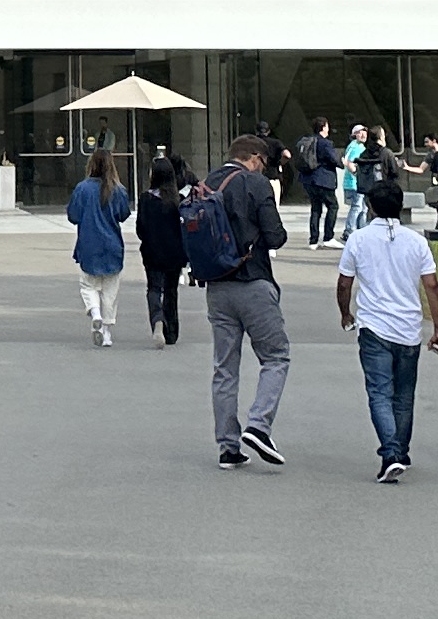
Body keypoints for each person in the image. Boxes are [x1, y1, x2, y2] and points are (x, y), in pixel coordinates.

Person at [333, 168, 438, 481]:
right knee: (404, 394)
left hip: (373, 326)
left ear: (370, 207)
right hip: (408, 328)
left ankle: (391, 452)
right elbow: (432, 286)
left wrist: (346, 313)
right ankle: (401, 451)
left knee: (380, 392)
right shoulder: (416, 242)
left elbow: (345, 283)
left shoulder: (358, 239)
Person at [202, 129, 296, 468]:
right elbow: (275, 237)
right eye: (263, 163)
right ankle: (259, 424)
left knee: (224, 368)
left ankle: (228, 447)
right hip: (253, 281)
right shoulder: (254, 184)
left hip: (216, 287)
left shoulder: (208, 182)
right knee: (276, 356)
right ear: (254, 158)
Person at [67, 155, 133, 344]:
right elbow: (123, 214)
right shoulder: (117, 190)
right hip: (112, 244)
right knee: (110, 290)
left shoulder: (82, 188)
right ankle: (107, 331)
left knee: (88, 285)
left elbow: (73, 215)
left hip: (89, 243)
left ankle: (94, 311)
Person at [137, 159, 191, 346]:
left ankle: (157, 319)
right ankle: (172, 331)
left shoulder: (146, 198)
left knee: (153, 288)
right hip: (174, 252)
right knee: (171, 290)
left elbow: (140, 229)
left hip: (152, 251)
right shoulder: (177, 201)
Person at [294, 116, 341, 245]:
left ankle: (313, 240)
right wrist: (344, 164)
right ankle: (328, 237)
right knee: (333, 206)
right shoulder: (325, 143)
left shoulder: (308, 141)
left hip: (308, 179)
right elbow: (334, 159)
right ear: (324, 127)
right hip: (324, 179)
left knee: (315, 208)